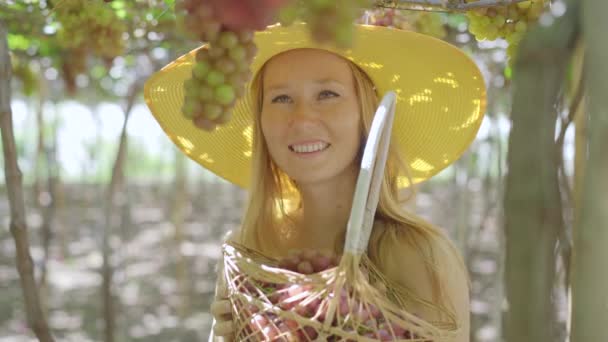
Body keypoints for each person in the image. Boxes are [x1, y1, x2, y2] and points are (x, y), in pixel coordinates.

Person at [145, 23, 486, 342]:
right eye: (280, 98)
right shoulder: (247, 248)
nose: (303, 117)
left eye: (327, 94)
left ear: (364, 113)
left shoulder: (418, 254)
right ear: (261, 123)